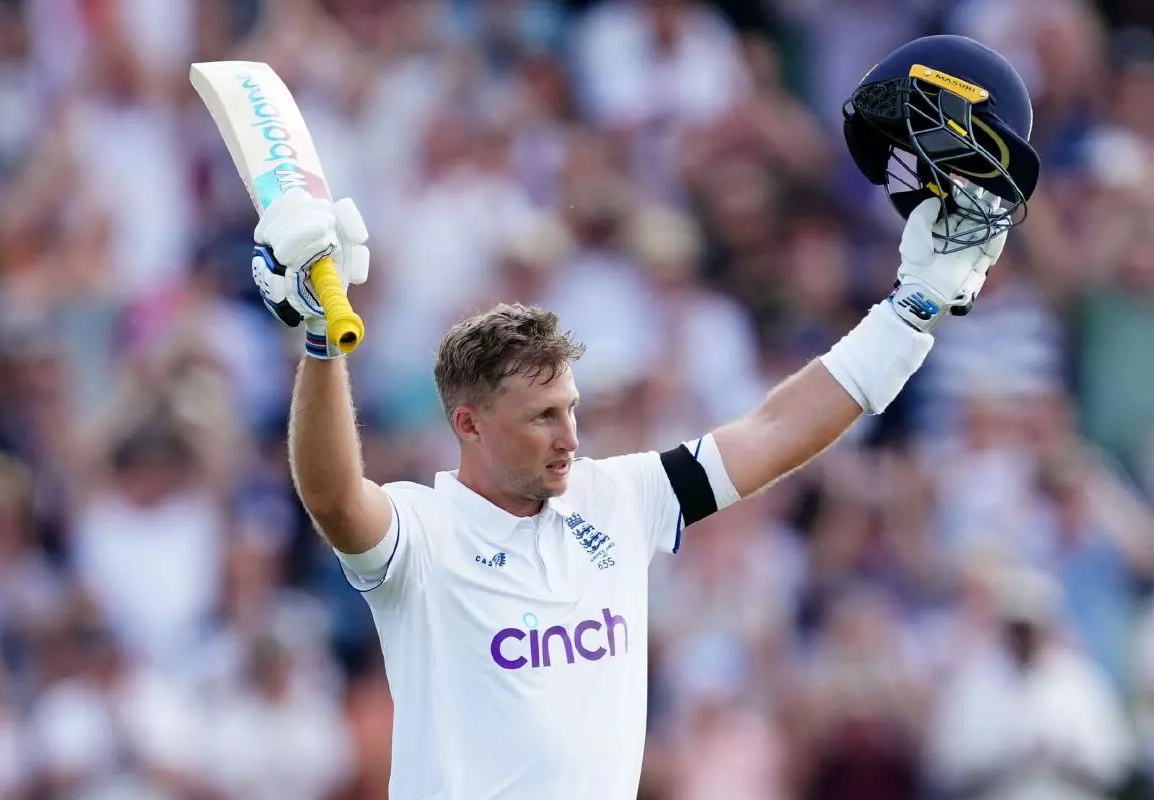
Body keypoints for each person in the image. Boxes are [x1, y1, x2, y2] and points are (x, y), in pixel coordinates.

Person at [246, 36, 1024, 799]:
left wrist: (911, 313)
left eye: (572, 409)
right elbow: (331, 494)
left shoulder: (617, 499)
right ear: (470, 424)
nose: (570, 437)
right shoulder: (422, 535)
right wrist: (322, 342)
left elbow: (775, 431)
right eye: (542, 417)